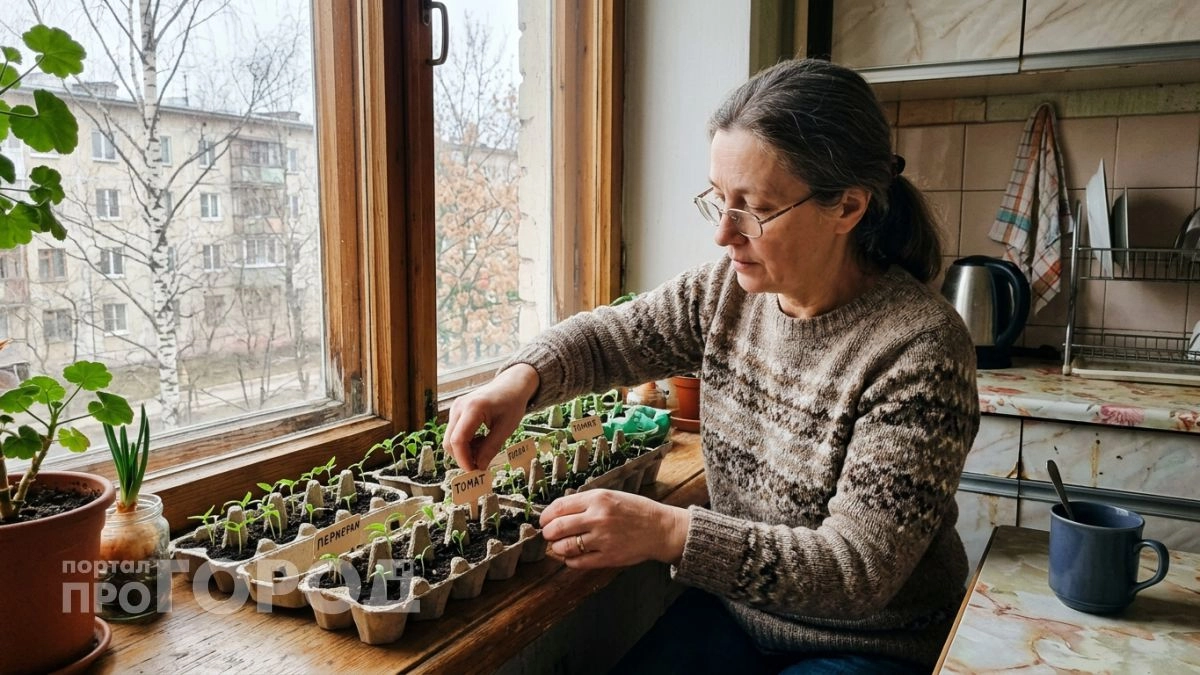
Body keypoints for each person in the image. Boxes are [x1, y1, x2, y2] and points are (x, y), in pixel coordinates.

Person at [443, 58, 980, 674]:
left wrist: (667, 532)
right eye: (719, 199)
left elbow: (854, 570)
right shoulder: (726, 291)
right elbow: (612, 338)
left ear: (847, 208)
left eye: (753, 209)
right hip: (740, 616)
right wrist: (519, 381)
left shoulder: (920, 350)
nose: (724, 234)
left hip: (871, 644)